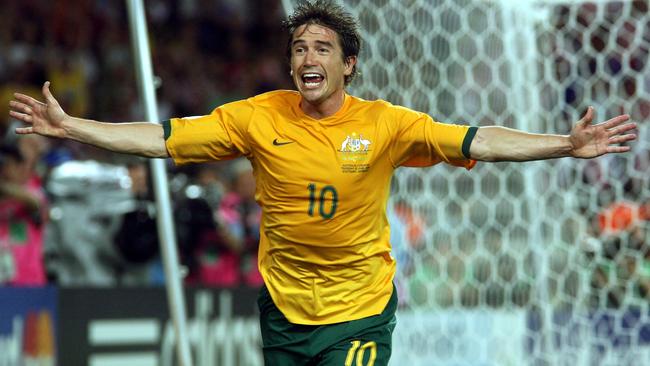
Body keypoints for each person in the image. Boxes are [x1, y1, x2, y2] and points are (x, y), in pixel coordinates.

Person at [8, 0, 637, 364]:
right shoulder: (256, 117)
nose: (308, 58)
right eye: (300, 48)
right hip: (283, 313)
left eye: (322, 49)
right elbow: (162, 138)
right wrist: (75, 129)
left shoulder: (387, 124)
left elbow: (476, 140)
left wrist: (564, 144)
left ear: (349, 63)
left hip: (359, 314)